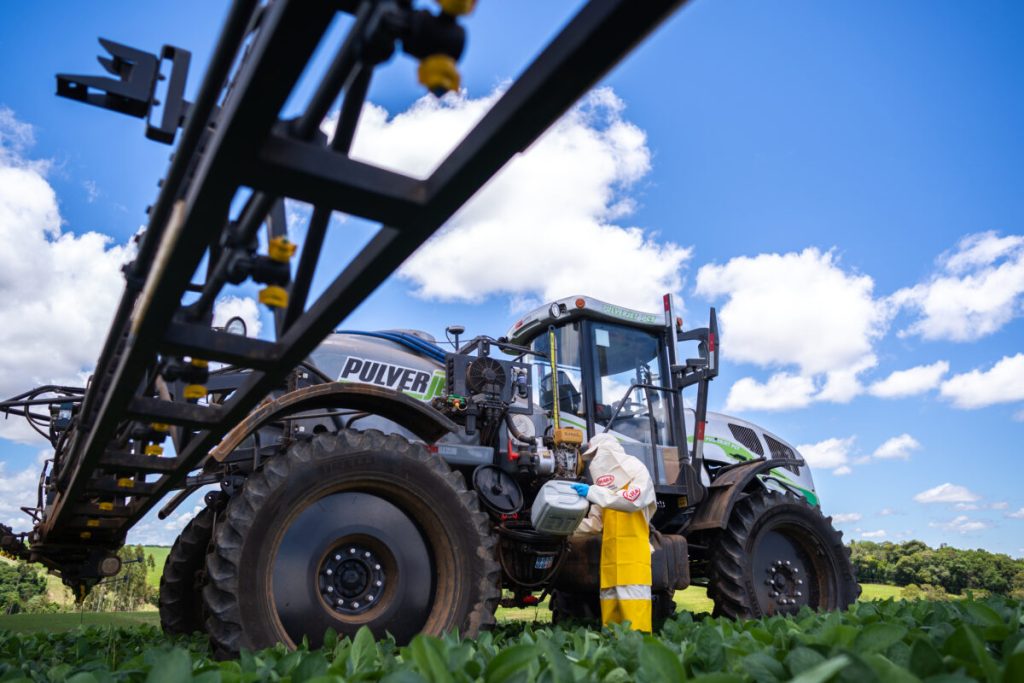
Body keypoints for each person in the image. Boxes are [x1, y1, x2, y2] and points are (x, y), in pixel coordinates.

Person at [569, 432, 657, 632]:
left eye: (596, 456)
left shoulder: (636, 471)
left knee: (635, 619)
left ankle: (639, 657)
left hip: (633, 561)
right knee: (611, 623)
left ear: (608, 451)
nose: (594, 463)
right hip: (609, 564)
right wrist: (565, 529)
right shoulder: (603, 490)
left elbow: (630, 500)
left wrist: (592, 492)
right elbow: (595, 523)